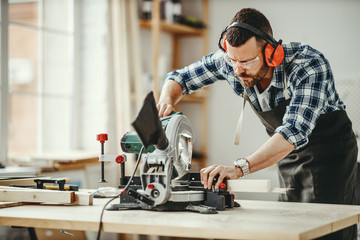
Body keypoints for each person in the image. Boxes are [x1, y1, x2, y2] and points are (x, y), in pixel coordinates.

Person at [156, 8, 357, 240]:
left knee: (328, 230)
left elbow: (293, 131)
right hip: (287, 156)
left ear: (272, 54)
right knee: (293, 227)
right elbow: (178, 78)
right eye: (232, 61)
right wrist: (166, 102)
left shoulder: (308, 64)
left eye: (247, 62)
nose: (238, 70)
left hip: (330, 154)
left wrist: (239, 168)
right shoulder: (233, 61)